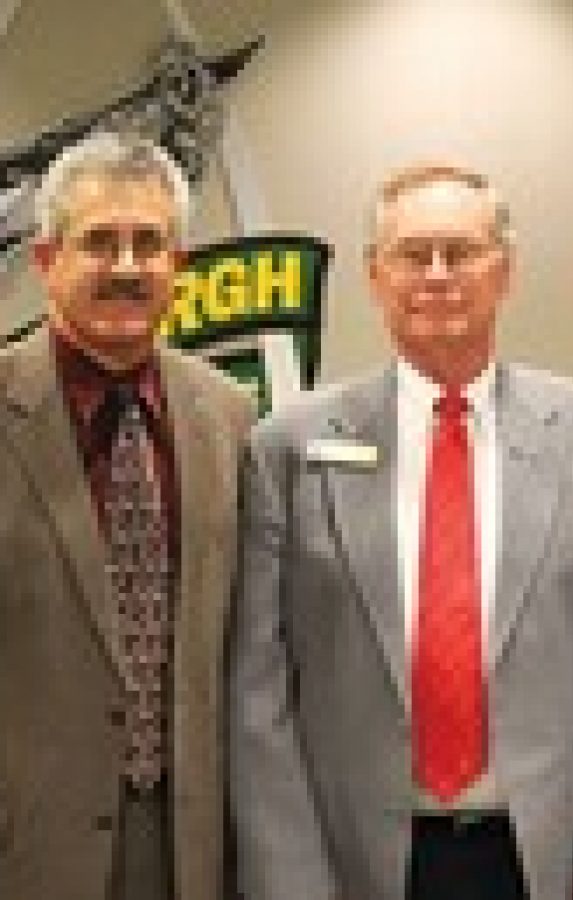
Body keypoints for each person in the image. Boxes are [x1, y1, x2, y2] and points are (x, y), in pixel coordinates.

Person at [229, 163, 573, 900]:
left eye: (462, 252)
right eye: (414, 255)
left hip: (556, 862)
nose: (439, 275)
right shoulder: (288, 448)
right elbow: (259, 690)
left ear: (504, 272)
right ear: (375, 276)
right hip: (354, 864)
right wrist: (288, 882)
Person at [0, 131, 254, 900]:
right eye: (99, 241)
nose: (125, 267)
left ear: (178, 265)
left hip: (194, 852)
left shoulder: (231, 416)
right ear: (47, 262)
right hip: (25, 849)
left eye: (149, 243)